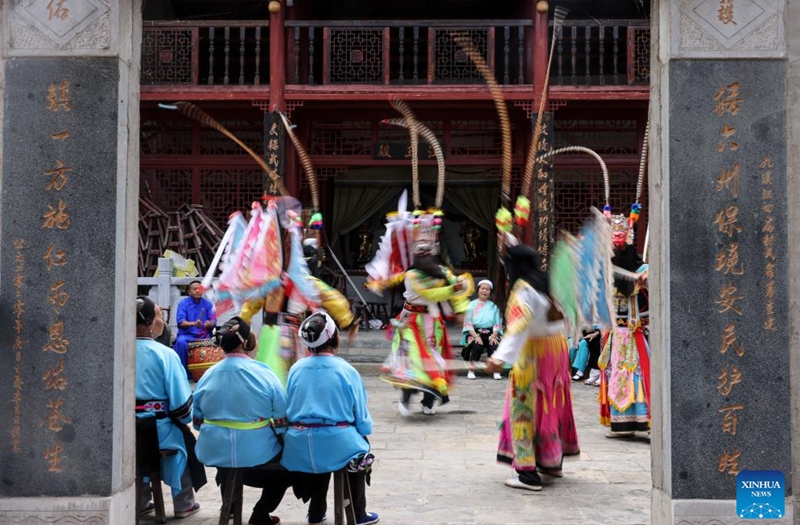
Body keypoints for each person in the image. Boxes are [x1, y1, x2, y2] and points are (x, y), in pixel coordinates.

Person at [484, 237, 580, 491]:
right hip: (557, 351)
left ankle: (527, 473)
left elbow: (518, 325)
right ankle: (550, 461)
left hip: (534, 353)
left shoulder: (523, 289)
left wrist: (499, 357)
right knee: (551, 405)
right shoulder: (549, 284)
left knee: (523, 408)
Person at [282, 312, 379, 525]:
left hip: (299, 444)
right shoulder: (347, 370)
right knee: (357, 447)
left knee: (318, 444)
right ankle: (358, 512)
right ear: (334, 339)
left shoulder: (296, 369)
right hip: (337, 444)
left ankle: (316, 512)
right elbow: (362, 420)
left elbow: (289, 408)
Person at [193, 316, 290, 525]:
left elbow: (197, 422)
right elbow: (282, 420)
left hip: (216, 452)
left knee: (225, 456)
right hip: (258, 455)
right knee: (287, 468)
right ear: (247, 342)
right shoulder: (264, 373)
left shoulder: (207, 375)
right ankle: (260, 513)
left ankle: (229, 505)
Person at [383, 212, 473, 417]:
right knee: (411, 361)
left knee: (434, 361)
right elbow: (430, 293)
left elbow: (458, 286)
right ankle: (406, 399)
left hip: (432, 323)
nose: (424, 253)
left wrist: (461, 309)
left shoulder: (442, 271)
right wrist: (452, 290)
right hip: (411, 322)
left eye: (427, 250)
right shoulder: (412, 275)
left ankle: (429, 401)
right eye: (421, 251)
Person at [135, 296, 205, 519]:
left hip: (124, 431)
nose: (161, 321)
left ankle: (142, 500)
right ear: (148, 323)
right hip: (159, 430)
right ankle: (184, 502)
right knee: (185, 440)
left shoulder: (115, 351)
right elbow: (183, 410)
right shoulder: (165, 354)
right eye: (159, 316)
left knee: (138, 447)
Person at [598, 214, 650, 437]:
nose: (616, 241)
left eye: (620, 236)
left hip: (634, 331)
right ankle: (621, 424)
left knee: (639, 374)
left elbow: (651, 282)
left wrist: (645, 278)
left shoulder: (641, 267)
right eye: (613, 237)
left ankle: (645, 420)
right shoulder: (606, 268)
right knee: (616, 375)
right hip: (615, 333)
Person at [460, 279, 503, 380]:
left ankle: (495, 370)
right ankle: (472, 370)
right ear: (478, 290)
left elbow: (497, 323)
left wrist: (494, 336)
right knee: (477, 345)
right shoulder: (471, 305)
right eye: (482, 289)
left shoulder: (494, 307)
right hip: (475, 332)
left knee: (494, 344)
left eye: (487, 289)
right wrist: (475, 336)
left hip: (490, 333)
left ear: (490, 292)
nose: (484, 291)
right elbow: (468, 323)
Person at [173, 280, 216, 379]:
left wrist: (209, 324)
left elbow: (214, 322)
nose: (197, 291)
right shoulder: (183, 304)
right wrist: (193, 323)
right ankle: (184, 374)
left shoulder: (207, 304)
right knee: (181, 342)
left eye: (199, 289)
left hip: (203, 335)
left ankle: (206, 375)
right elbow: (181, 322)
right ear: (189, 292)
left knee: (211, 344)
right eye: (194, 289)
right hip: (186, 335)